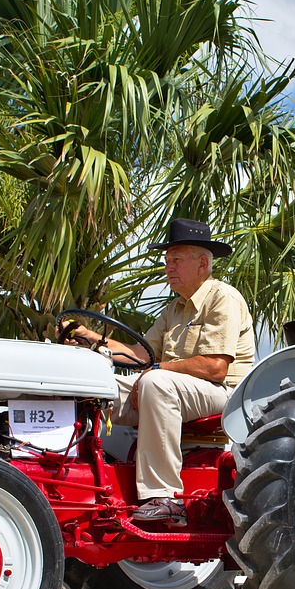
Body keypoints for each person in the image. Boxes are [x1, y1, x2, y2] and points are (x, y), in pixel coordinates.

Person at [65, 219, 255, 525]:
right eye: (167, 261)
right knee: (96, 385)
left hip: (224, 396)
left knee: (156, 382)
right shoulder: (174, 309)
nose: (169, 268)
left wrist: (156, 369)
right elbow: (140, 355)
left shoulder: (223, 298)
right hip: (174, 388)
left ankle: (164, 495)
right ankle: (70, 469)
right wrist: (88, 337)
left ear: (203, 263)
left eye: (177, 260)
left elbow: (215, 367)